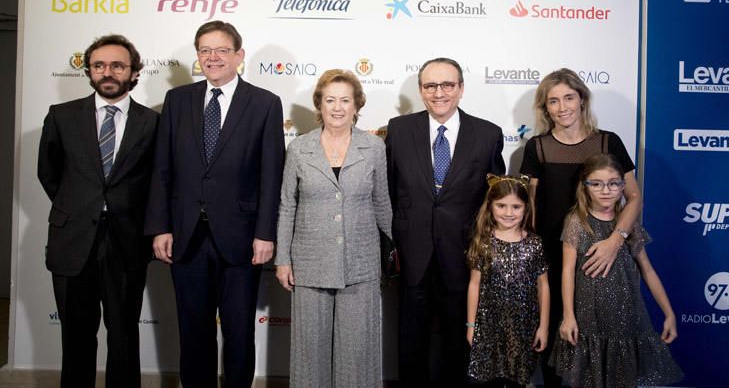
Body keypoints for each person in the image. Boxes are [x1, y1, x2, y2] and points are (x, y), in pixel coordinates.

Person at [144, 20, 285, 388]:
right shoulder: (178, 100)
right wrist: (161, 226)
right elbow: (162, 169)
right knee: (193, 332)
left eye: (221, 50)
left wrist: (265, 233)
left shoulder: (265, 103)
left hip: (240, 239)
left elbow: (272, 175)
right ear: (197, 57)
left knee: (239, 333)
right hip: (187, 237)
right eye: (205, 50)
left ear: (239, 55)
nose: (212, 57)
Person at [37, 34, 158, 388]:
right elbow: (50, 173)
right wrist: (81, 207)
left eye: (118, 65)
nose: (108, 72)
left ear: (134, 73)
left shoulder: (151, 123)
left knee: (123, 336)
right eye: (99, 65)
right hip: (72, 240)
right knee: (75, 337)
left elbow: (155, 182)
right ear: (88, 71)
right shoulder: (61, 116)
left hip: (127, 242)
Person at [386, 57, 505, 386]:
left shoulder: (488, 134)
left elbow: (494, 200)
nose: (439, 93)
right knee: (412, 340)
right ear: (421, 91)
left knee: (458, 338)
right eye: (430, 86)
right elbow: (389, 190)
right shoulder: (399, 129)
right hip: (413, 253)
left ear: (461, 88)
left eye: (447, 85)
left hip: (464, 252)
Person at [518, 68, 641, 387]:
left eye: (569, 98)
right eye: (553, 101)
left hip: (602, 257)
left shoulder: (608, 141)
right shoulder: (538, 147)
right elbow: (528, 208)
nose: (562, 107)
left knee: (605, 340)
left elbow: (634, 196)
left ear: (582, 99)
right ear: (545, 108)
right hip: (553, 259)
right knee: (556, 335)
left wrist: (617, 240)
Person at [275, 69, 392, 388]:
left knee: (358, 352)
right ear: (319, 105)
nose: (337, 107)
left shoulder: (374, 147)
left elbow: (382, 203)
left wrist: (398, 250)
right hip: (310, 264)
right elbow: (287, 205)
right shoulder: (299, 148)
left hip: (361, 263)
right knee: (309, 352)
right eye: (330, 100)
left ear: (357, 105)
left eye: (345, 100)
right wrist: (283, 259)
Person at [552, 154, 682, 388]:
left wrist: (669, 313)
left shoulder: (627, 224)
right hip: (587, 322)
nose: (606, 190)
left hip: (627, 321)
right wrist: (568, 316)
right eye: (597, 183)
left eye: (614, 183)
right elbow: (567, 272)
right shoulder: (576, 222)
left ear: (623, 186)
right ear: (585, 186)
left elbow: (648, 271)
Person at [466, 174, 550, 388]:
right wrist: (471, 325)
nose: (508, 213)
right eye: (501, 206)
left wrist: (544, 326)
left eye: (516, 207)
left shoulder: (534, 244)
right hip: (488, 327)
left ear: (525, 208)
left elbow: (543, 286)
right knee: (487, 379)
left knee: (517, 379)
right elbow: (474, 285)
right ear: (491, 206)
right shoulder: (483, 242)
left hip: (522, 328)